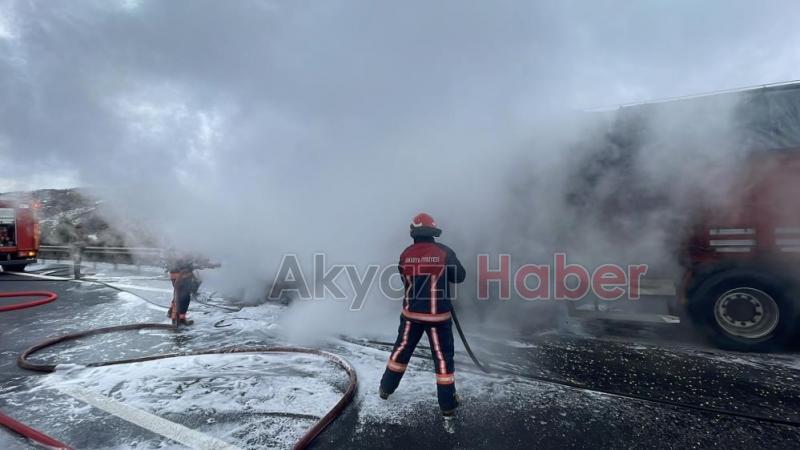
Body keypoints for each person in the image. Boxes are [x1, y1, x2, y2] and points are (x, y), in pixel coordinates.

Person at [379, 213, 467, 416]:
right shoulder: (445, 252)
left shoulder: (405, 254)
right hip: (438, 318)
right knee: (443, 358)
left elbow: (405, 280)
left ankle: (385, 389)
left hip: (411, 315)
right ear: (433, 232)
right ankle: (447, 405)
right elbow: (460, 277)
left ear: (414, 232)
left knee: (401, 352)